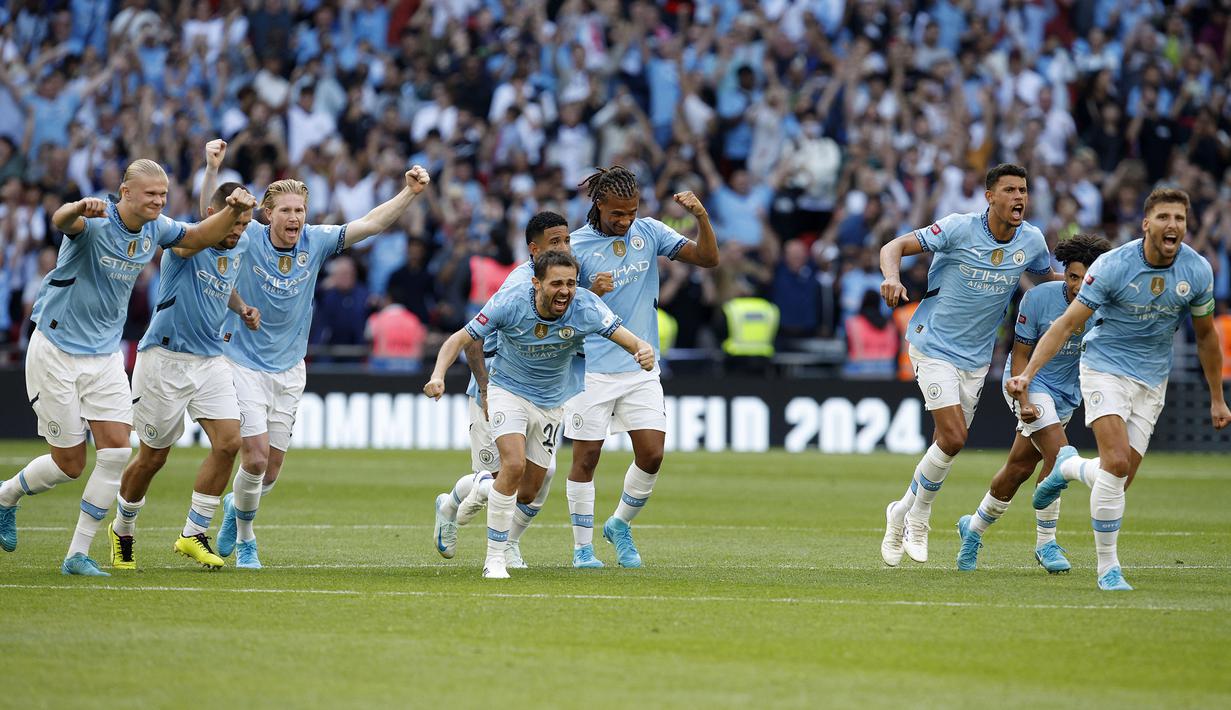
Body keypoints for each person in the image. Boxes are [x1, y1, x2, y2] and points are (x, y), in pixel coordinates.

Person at [0, 159, 255, 576]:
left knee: (118, 451)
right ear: (125, 192)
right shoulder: (95, 220)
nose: (158, 201)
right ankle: (6, 496)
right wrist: (77, 208)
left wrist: (233, 209)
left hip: (104, 355)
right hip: (57, 348)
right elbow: (60, 220)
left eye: (163, 195)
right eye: (151, 194)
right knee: (70, 464)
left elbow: (197, 235)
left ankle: (77, 555)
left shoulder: (157, 229)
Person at [200, 138, 430, 569]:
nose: (294, 218)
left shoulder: (317, 241)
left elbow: (370, 224)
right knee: (254, 456)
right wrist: (212, 170)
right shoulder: (248, 235)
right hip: (242, 364)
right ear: (268, 214)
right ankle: (247, 538)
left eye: (300, 210)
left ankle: (237, 507)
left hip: (290, 368)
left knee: (269, 473)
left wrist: (409, 193)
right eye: (286, 210)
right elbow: (208, 219)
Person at [1008, 188, 1229, 591]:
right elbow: (1067, 323)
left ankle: (1068, 467)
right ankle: (1108, 569)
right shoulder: (1113, 266)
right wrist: (1028, 374)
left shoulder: (1197, 271)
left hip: (1152, 379)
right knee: (1116, 462)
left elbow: (1206, 337)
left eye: (1180, 218)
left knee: (1118, 479)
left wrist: (1217, 396)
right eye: (1164, 217)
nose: (1173, 225)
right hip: (1103, 368)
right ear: (1147, 223)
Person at [423, 250, 655, 579]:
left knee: (525, 492)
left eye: (571, 283)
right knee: (512, 465)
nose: (565, 290)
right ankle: (495, 559)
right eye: (556, 283)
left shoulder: (585, 306)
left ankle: (455, 500)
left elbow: (628, 339)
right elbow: (459, 339)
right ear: (536, 283)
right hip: (508, 392)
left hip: (550, 403)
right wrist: (437, 375)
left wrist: (641, 351)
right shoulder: (511, 302)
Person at [878, 163, 1052, 567]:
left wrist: (1090, 289)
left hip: (977, 358)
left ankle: (900, 510)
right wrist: (891, 277)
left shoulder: (1032, 240)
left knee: (946, 443)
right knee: (954, 437)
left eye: (1023, 190)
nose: (1019, 198)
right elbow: (893, 247)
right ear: (990, 197)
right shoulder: (957, 228)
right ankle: (919, 517)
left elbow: (1048, 288)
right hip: (932, 343)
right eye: (1010, 190)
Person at [563, 165, 719, 569]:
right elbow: (553, 309)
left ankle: (619, 524)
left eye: (631, 211)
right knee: (586, 460)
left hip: (641, 366)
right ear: (598, 204)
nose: (625, 220)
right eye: (617, 212)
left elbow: (707, 258)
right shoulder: (574, 246)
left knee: (652, 455)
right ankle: (582, 549)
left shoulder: (649, 232)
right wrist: (584, 292)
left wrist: (700, 216)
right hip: (590, 369)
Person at [107, 176, 264, 572]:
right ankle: (123, 529)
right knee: (153, 457)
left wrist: (241, 307)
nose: (238, 233)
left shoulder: (239, 243)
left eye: (245, 225)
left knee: (230, 443)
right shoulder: (183, 242)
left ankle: (193, 533)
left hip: (210, 360)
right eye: (233, 223)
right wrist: (212, 174)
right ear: (214, 214)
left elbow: (223, 282)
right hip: (164, 358)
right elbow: (195, 237)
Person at [432, 211, 584, 569]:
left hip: (544, 396)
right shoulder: (518, 289)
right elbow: (472, 339)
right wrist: (485, 388)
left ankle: (511, 542)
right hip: (499, 388)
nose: (564, 248)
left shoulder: (567, 279)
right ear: (534, 250)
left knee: (541, 475)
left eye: (566, 241)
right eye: (555, 242)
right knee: (500, 475)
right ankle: (450, 506)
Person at [954, 233, 1112, 573]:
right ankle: (1046, 544)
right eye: (1071, 276)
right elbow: (1020, 355)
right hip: (1029, 383)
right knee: (1061, 457)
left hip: (1067, 392)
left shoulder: (1105, 304)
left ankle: (973, 529)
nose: (1076, 285)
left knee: (1019, 469)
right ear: (1063, 274)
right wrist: (1024, 398)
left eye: (1085, 278)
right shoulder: (1038, 299)